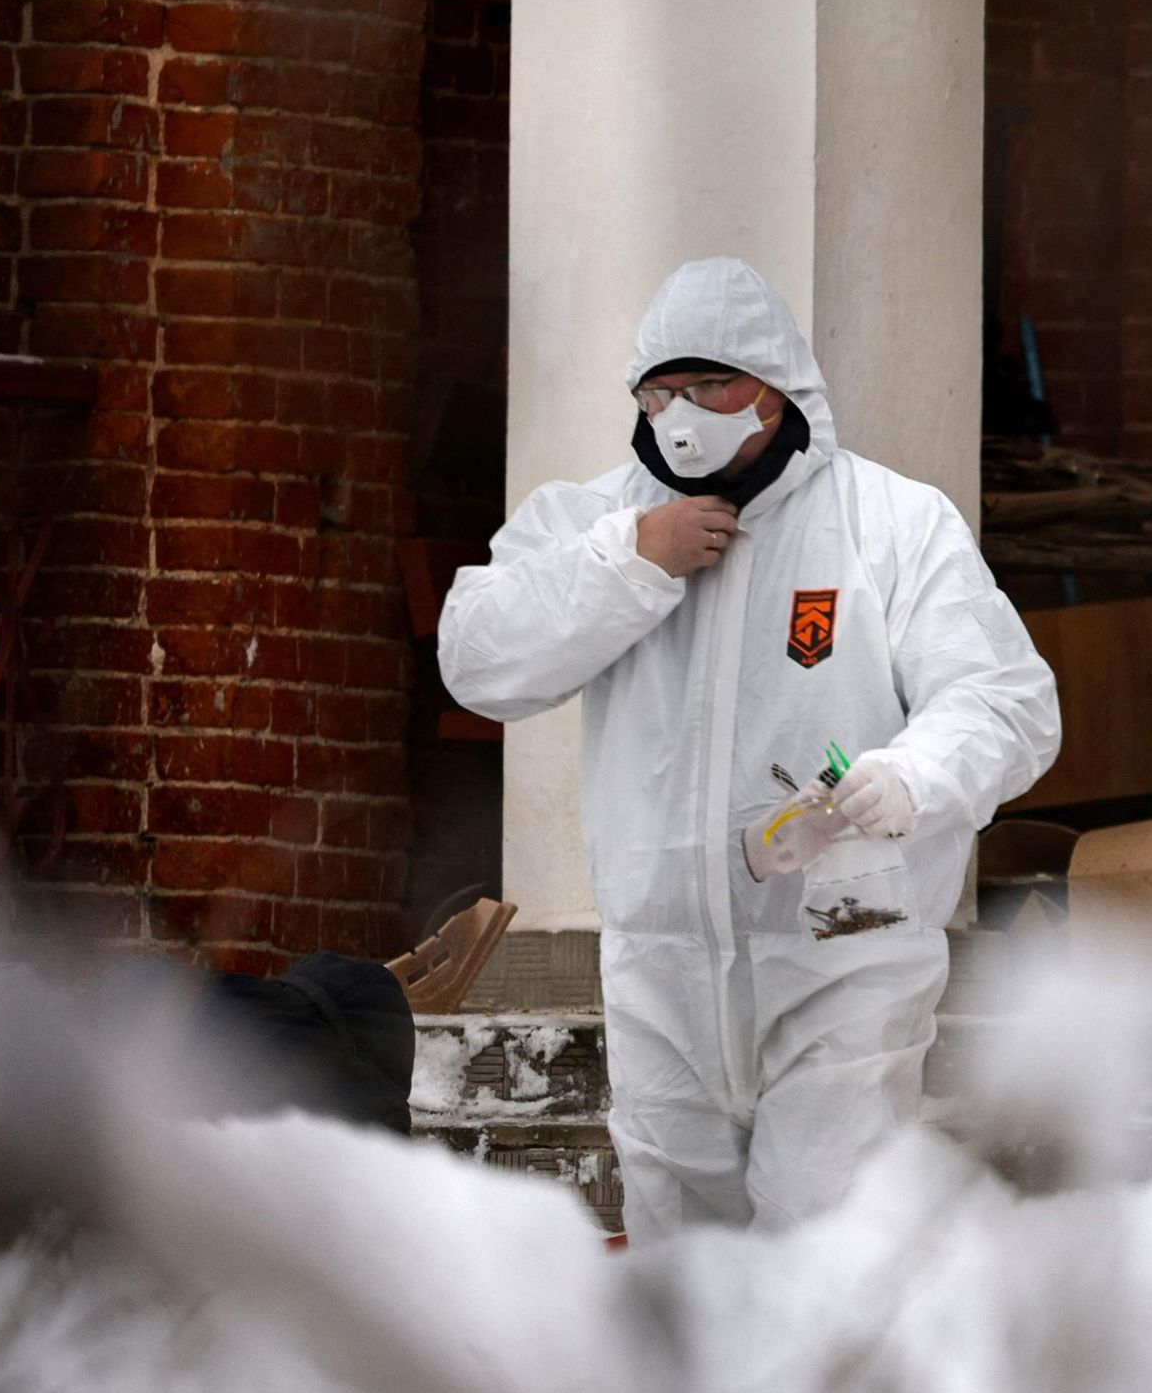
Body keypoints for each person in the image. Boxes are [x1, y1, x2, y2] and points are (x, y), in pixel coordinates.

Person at [439, 258, 1061, 1233]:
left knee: (825, 1230)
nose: (683, 411)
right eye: (662, 388)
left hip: (842, 950)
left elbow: (1005, 702)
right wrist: (628, 564)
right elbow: (478, 659)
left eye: (712, 385)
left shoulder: (888, 524)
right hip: (662, 965)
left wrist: (912, 777)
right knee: (684, 1257)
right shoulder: (600, 523)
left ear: (777, 385)